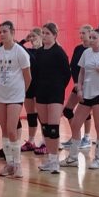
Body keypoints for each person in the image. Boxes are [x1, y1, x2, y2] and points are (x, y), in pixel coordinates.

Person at [0, 21, 32, 178]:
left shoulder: (20, 52)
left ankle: (18, 165)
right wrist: (3, 88)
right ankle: (9, 164)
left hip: (16, 96)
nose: (2, 34)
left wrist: (21, 92)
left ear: (12, 32)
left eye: (5, 31)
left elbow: (28, 77)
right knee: (4, 131)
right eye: (0, 32)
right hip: (1, 96)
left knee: (12, 130)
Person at [63, 28, 99, 168]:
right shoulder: (86, 53)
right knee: (75, 124)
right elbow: (81, 72)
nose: (91, 40)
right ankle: (73, 157)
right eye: (91, 37)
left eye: (95, 38)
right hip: (86, 93)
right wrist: (80, 88)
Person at [35, 23, 72, 174]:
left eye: (47, 33)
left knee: (53, 127)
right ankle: (50, 159)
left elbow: (67, 74)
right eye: (43, 33)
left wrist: (58, 87)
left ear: (55, 35)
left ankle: (55, 161)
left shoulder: (59, 52)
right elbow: (34, 73)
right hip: (41, 92)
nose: (44, 36)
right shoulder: (38, 53)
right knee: (45, 127)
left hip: (55, 93)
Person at [21, 30, 43, 155]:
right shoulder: (28, 51)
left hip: (40, 86)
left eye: (34, 36)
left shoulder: (43, 50)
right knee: (31, 115)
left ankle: (46, 141)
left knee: (42, 115)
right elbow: (17, 46)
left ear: (40, 37)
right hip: (29, 85)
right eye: (31, 36)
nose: (32, 38)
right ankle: (31, 141)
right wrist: (25, 40)